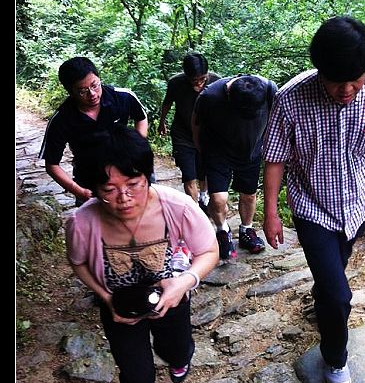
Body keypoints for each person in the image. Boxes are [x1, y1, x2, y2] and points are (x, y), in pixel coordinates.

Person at [262, 16, 365, 383]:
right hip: (312, 206)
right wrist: (271, 212)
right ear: (320, 70)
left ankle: (324, 296)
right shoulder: (291, 98)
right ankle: (335, 357)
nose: (347, 90)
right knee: (339, 295)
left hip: (357, 203)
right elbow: (275, 159)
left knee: (332, 276)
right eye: (337, 81)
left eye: (356, 80)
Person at [65, 125, 219, 383]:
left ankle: (179, 358)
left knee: (176, 348)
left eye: (133, 184)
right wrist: (106, 298)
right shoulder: (82, 222)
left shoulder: (177, 206)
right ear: (93, 189)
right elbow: (78, 263)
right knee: (134, 369)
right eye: (109, 189)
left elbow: (209, 251)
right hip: (119, 306)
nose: (123, 198)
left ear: (147, 176)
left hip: (172, 296)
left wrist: (184, 282)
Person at [39, 57, 148, 205]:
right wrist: (78, 191)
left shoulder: (122, 97)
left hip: (128, 167)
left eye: (95, 85)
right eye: (82, 91)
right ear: (70, 91)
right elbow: (52, 165)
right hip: (89, 178)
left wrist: (137, 148)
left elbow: (141, 118)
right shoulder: (62, 119)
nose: (92, 94)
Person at [192, 74, 278, 260]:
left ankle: (246, 230)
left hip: (251, 150)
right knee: (218, 198)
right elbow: (196, 123)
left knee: (249, 195)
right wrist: (201, 149)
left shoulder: (269, 90)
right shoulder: (210, 97)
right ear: (230, 98)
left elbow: (278, 118)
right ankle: (222, 231)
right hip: (217, 151)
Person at [158, 51, 219, 211]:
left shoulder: (216, 82)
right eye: (194, 80)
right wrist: (162, 122)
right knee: (189, 175)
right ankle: (195, 211)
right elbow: (167, 103)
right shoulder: (176, 83)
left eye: (202, 79)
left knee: (204, 169)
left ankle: (204, 196)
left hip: (207, 135)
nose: (199, 83)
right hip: (182, 135)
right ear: (186, 75)